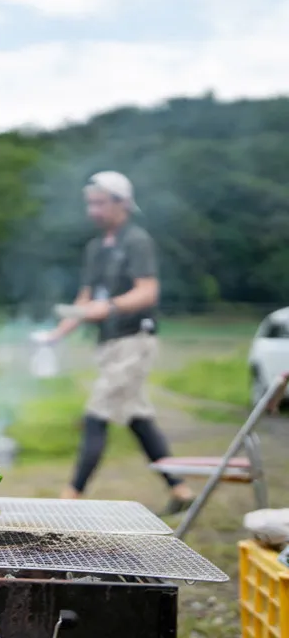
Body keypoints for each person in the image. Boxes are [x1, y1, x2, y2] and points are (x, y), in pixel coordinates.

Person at [38, 171, 194, 515]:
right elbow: (84, 300)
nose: (93, 210)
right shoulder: (96, 248)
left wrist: (109, 307)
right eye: (90, 203)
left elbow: (148, 292)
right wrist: (55, 335)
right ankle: (180, 489)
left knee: (97, 413)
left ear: (123, 203)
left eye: (100, 203)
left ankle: (70, 496)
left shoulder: (136, 241)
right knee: (138, 418)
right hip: (109, 344)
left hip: (134, 340)